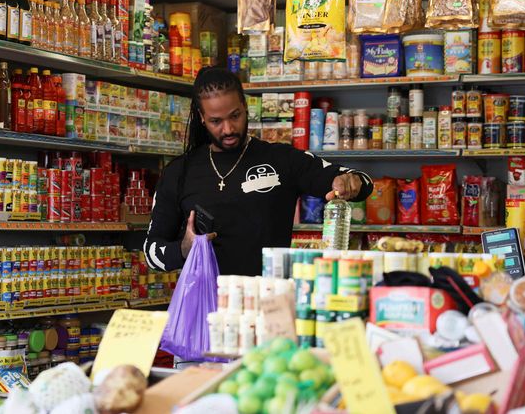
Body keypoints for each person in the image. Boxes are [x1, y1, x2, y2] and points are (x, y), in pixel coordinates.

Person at [143, 67, 373, 276]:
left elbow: (360, 182)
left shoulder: (282, 159)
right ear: (202, 118)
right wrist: (184, 248)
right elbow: (151, 253)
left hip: (269, 304)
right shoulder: (178, 172)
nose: (228, 129)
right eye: (216, 121)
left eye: (235, 116)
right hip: (204, 307)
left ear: (245, 107)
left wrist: (350, 181)